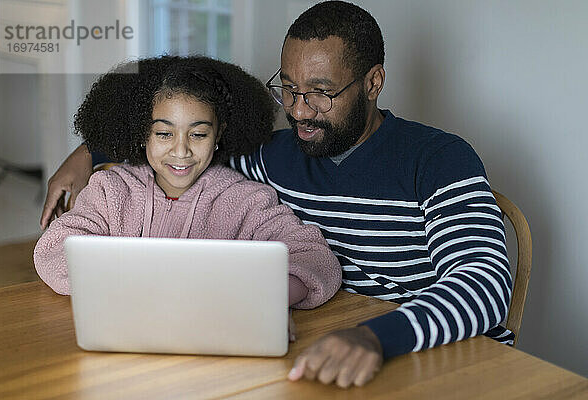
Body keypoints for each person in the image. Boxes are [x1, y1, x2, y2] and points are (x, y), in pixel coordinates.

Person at [40, 1, 513, 389]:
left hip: (438, 355)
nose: (300, 111)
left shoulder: (438, 158)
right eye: (288, 89)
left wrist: (373, 337)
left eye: (321, 92)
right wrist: (87, 153)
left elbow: (485, 288)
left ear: (373, 82)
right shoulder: (273, 155)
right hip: (324, 340)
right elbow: (183, 150)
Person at [34, 55, 342, 313]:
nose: (181, 151)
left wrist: (263, 300)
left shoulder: (245, 201)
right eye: (164, 134)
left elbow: (316, 259)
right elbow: (52, 251)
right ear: (143, 133)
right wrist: (134, 284)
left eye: (198, 134)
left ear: (218, 134)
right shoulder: (110, 191)